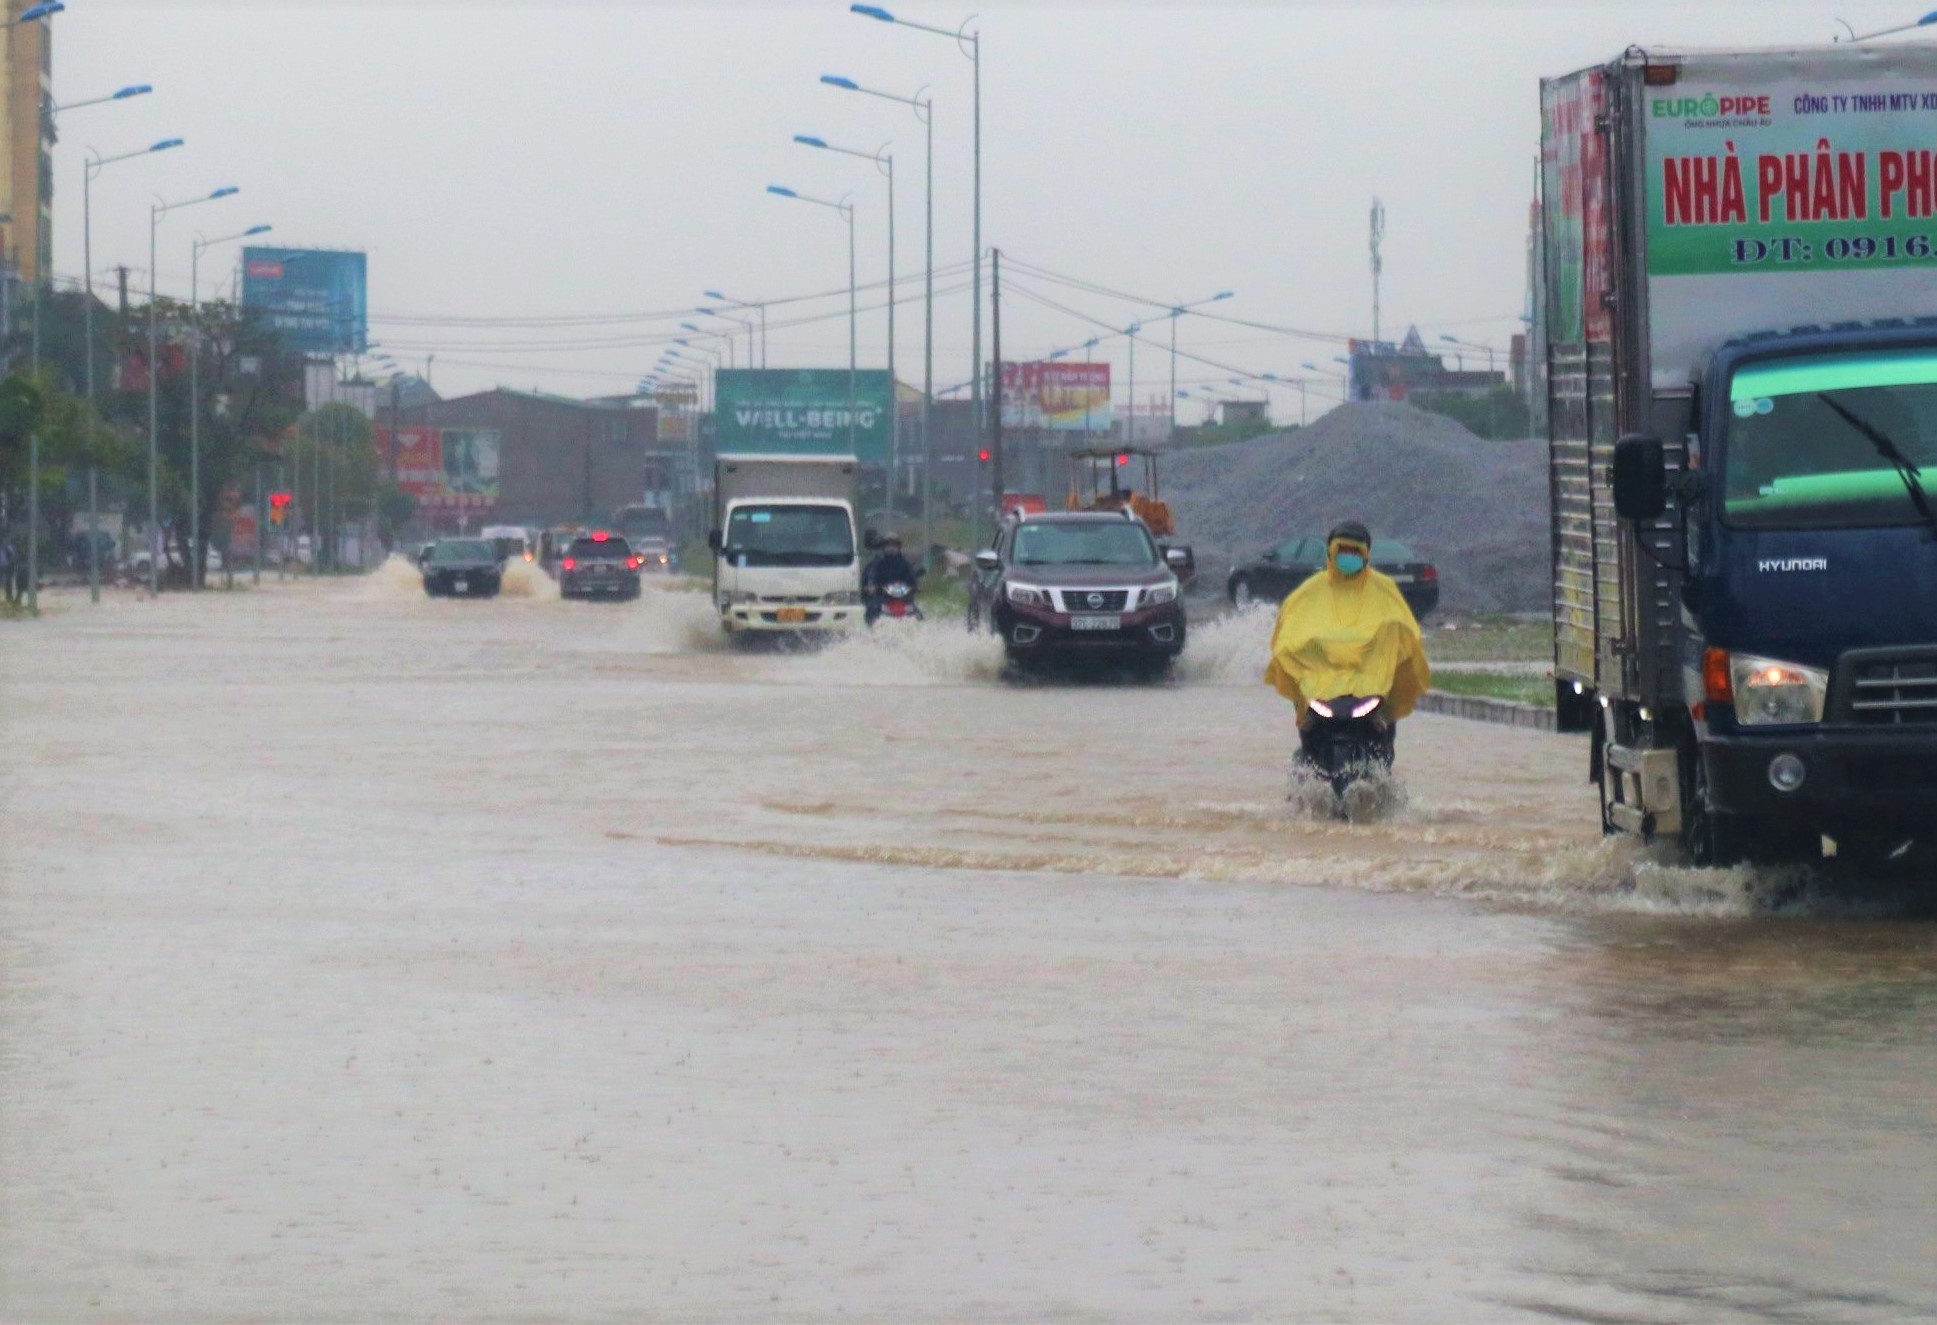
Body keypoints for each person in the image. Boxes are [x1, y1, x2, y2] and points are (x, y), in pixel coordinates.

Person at [1264, 520, 1431, 745]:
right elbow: (1289, 628)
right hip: (1323, 678)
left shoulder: (1384, 588)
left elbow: (1404, 627)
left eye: (1355, 551)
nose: (1348, 557)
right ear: (1331, 552)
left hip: (1370, 677)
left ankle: (1381, 724)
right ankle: (1308, 731)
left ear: (1365, 554)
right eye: (1343, 550)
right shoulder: (1310, 591)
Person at [862, 534, 920, 624]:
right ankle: (870, 626)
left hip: (903, 597)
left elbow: (912, 577)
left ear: (898, 547)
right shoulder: (877, 563)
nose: (891, 548)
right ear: (883, 547)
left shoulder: (905, 563)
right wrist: (872, 586)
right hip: (882, 596)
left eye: (894, 545)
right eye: (888, 545)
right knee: (872, 608)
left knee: (916, 612)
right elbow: (871, 576)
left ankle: (923, 627)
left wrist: (915, 585)